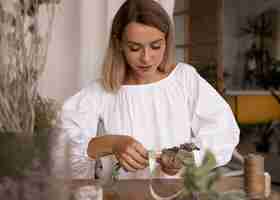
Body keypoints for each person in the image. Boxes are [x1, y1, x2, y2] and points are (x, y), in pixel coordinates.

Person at [59, 0, 240, 179]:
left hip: (177, 195)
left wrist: (184, 157)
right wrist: (111, 143)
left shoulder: (185, 79)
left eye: (155, 46)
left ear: (167, 40)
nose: (146, 58)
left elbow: (223, 131)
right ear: (119, 44)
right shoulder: (102, 91)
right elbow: (60, 151)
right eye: (134, 48)